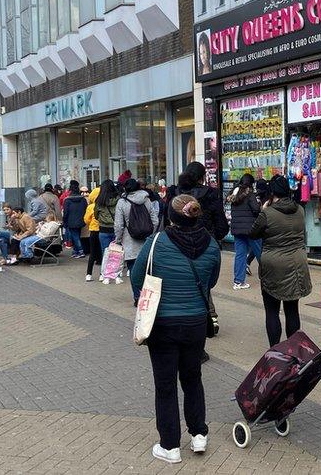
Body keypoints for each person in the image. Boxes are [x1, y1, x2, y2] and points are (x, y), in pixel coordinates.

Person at [131, 194, 219, 464]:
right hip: (195, 322)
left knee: (165, 385)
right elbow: (210, 282)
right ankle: (199, 434)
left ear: (171, 216)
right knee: (193, 379)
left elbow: (137, 277)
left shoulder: (156, 243)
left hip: (163, 322)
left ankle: (170, 446)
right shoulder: (213, 246)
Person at [249, 175, 311, 346]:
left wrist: (263, 210)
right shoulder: (300, 210)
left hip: (273, 264)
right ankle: (292, 349)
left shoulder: (267, 213)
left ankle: (275, 350)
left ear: (272, 192)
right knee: (292, 310)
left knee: (272, 310)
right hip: (297, 263)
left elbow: (253, 233)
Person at [114, 179, 158, 306]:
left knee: (133, 269)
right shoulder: (146, 199)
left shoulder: (122, 202)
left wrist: (118, 240)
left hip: (129, 241)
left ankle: (138, 297)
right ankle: (149, 297)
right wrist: (150, 234)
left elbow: (119, 225)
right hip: (147, 241)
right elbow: (154, 220)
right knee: (148, 269)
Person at [168, 162, 228, 241]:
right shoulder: (211, 194)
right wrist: (212, 238)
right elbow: (221, 226)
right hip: (206, 241)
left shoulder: (173, 192)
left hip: (177, 241)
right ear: (202, 177)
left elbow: (167, 220)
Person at [227, 174, 261, 289]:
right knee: (261, 253)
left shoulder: (234, 194)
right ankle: (269, 278)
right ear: (251, 183)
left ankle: (238, 282)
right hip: (251, 229)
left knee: (240, 255)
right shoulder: (249, 194)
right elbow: (256, 210)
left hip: (237, 230)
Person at [94, 179, 121, 284]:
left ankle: (104, 275)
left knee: (105, 253)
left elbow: (96, 215)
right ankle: (116, 274)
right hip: (116, 229)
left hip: (103, 230)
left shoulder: (99, 200)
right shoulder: (118, 200)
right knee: (117, 253)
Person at [62, 181, 88, 259]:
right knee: (77, 235)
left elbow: (65, 212)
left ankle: (80, 251)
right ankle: (75, 251)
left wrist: (64, 221)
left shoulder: (67, 200)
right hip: (81, 220)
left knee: (75, 236)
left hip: (71, 221)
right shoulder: (83, 199)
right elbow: (85, 209)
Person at [83, 186, 104, 282]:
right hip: (103, 231)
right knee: (104, 253)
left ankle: (89, 274)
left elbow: (86, 220)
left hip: (93, 231)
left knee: (92, 253)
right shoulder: (104, 206)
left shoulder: (90, 207)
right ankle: (102, 274)